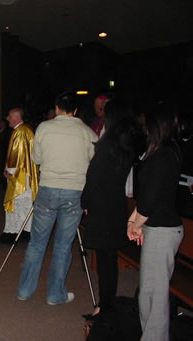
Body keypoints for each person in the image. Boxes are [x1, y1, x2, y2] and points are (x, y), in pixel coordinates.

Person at [17, 91, 97, 303]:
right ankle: (54, 294)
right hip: (74, 192)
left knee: (37, 243)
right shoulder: (87, 132)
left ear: (57, 108)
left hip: (48, 189)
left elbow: (37, 158)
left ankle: (25, 290)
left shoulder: (44, 128)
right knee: (63, 246)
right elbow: (93, 164)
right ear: (76, 110)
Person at [127, 104, 183, 341]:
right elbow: (147, 197)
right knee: (149, 291)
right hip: (158, 228)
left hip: (162, 231)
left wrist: (135, 224)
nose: (144, 129)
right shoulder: (165, 151)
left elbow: (149, 201)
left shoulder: (162, 156)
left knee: (155, 295)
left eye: (146, 125)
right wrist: (133, 221)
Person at [81, 99, 138, 317]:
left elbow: (93, 176)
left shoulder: (107, 145)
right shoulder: (127, 142)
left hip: (102, 206)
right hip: (115, 204)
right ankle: (106, 304)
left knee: (105, 261)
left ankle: (105, 307)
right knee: (109, 259)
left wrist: (84, 202)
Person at [0, 108, 39, 244]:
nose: (7, 118)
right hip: (26, 174)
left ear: (16, 117)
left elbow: (16, 154)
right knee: (24, 206)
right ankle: (24, 232)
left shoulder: (20, 132)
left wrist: (9, 171)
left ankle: (13, 234)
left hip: (20, 177)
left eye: (10, 116)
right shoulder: (26, 130)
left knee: (17, 204)